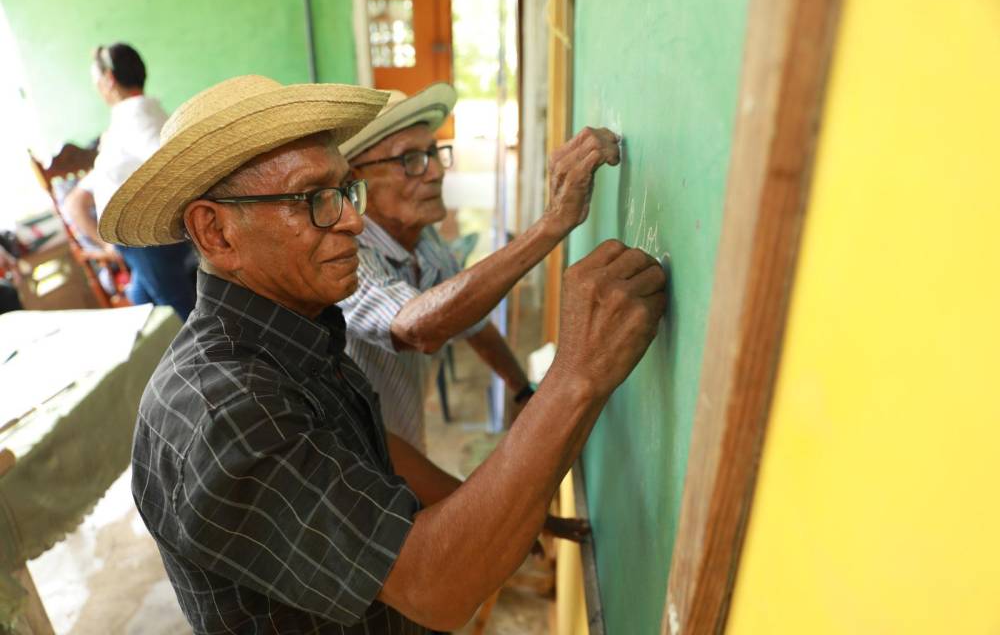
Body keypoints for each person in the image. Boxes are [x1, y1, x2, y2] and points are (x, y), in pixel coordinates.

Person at [102, 75, 666, 633]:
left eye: (345, 191)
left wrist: (498, 506)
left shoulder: (292, 329)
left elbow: (367, 447)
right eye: (313, 199)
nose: (351, 218)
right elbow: (437, 587)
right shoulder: (229, 411)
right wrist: (575, 377)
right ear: (216, 231)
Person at [339, 83, 586, 451]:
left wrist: (521, 389)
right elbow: (416, 326)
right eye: (409, 159)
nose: (436, 171)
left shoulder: (424, 240)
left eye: (434, 153)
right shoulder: (344, 253)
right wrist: (550, 226)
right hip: (356, 462)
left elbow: (471, 319)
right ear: (355, 180)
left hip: (402, 440)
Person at [63, 42, 195, 319]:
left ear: (109, 80)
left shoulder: (136, 117)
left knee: (179, 311)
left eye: (96, 81)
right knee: (142, 301)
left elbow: (172, 164)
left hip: (144, 240)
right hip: (139, 242)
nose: (97, 88)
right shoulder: (140, 115)